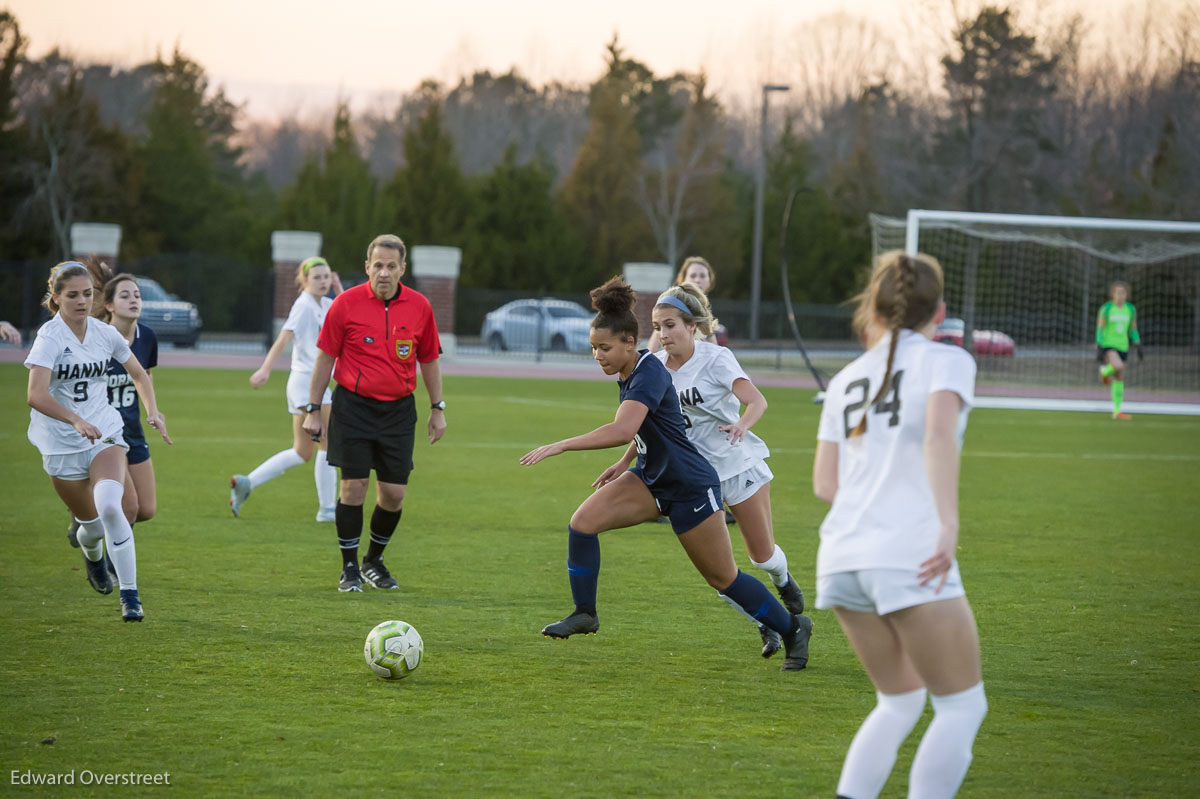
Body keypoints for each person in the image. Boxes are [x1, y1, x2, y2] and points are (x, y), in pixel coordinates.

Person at [520, 277, 813, 672]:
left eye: (604, 348)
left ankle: (794, 628)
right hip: (650, 478)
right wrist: (624, 463)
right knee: (582, 524)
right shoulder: (640, 368)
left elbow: (623, 427)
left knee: (723, 578)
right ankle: (585, 613)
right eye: (593, 348)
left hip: (690, 485)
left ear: (628, 343)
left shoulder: (650, 372)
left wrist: (561, 444)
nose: (598, 356)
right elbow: (642, 429)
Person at [812, 251, 986, 799]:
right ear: (939, 311)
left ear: (877, 306)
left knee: (901, 700)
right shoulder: (946, 360)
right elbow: (937, 436)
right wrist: (948, 523)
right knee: (961, 705)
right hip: (906, 552)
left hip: (842, 557)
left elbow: (824, 483)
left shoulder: (845, 378)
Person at [648, 283, 805, 659]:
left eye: (670, 325)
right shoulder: (655, 369)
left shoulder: (716, 358)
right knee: (722, 576)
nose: (663, 334)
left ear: (692, 325)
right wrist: (622, 463)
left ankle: (782, 579)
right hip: (695, 478)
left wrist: (742, 425)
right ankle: (766, 622)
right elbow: (643, 424)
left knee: (761, 557)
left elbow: (757, 400)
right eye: (657, 327)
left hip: (736, 466)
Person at [25, 262, 172, 622]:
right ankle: (93, 560)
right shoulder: (49, 337)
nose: (81, 301)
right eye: (72, 295)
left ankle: (130, 597)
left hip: (105, 432)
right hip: (60, 442)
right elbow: (35, 395)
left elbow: (139, 373)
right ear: (56, 298)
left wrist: (153, 410)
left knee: (112, 506)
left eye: (87, 294)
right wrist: (74, 419)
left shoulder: (104, 334)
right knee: (90, 527)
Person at [302, 235, 446, 593]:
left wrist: (437, 408)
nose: (384, 272)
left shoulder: (420, 307)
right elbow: (325, 359)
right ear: (367, 266)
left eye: (391, 266)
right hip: (353, 406)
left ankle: (373, 561)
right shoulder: (345, 304)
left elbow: (428, 359)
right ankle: (349, 568)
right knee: (353, 488)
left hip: (398, 411)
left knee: (394, 493)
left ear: (402, 269)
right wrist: (313, 410)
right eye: (377, 265)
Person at [230, 256, 339, 521]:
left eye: (326, 277)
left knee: (303, 451)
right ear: (304, 281)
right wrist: (265, 368)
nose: (323, 282)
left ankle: (247, 482)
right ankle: (327, 510)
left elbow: (353, 315)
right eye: (317, 278)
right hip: (307, 383)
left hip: (312, 384)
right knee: (329, 443)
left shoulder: (326, 303)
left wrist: (339, 288)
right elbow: (283, 338)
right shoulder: (303, 306)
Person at [1096, 280, 1142, 421]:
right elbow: (1100, 328)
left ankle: (1117, 411)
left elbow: (1132, 329)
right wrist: (1099, 344)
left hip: (1123, 347)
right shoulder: (1106, 309)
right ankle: (1103, 371)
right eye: (1118, 292)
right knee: (1118, 366)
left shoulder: (1130, 309)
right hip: (1108, 345)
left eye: (1123, 293)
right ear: (1113, 294)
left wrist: (1138, 343)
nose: (1120, 295)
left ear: (1127, 295)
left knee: (1119, 377)